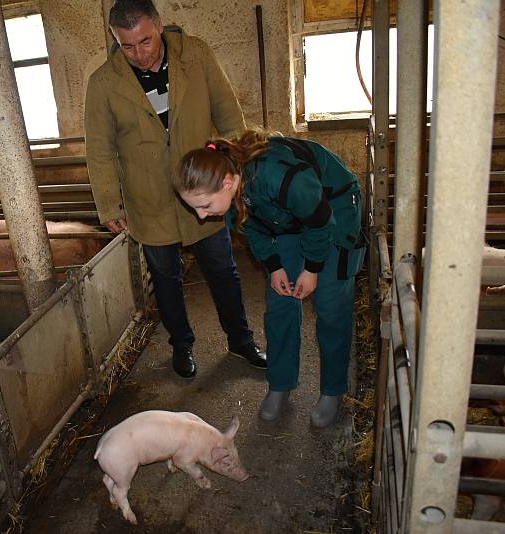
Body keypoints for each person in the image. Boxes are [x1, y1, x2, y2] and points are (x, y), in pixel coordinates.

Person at [85, 0, 266, 379]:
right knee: (165, 278)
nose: (139, 53)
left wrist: (238, 169)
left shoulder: (195, 54)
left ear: (160, 25)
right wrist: (108, 203)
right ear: (115, 39)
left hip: (201, 187)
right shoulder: (103, 83)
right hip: (147, 196)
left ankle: (241, 340)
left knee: (222, 269)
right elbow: (99, 148)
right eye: (127, 46)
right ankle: (181, 345)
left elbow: (228, 114)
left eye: (146, 41)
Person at [174, 131, 365, 427]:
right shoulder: (231, 193)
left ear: (226, 183)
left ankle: (332, 391)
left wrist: (312, 268)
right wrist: (275, 265)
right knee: (281, 302)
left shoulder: (280, 177)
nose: (200, 216)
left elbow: (319, 220)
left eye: (204, 206)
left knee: (330, 304)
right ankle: (281, 383)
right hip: (286, 216)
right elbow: (250, 226)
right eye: (194, 208)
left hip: (331, 208)